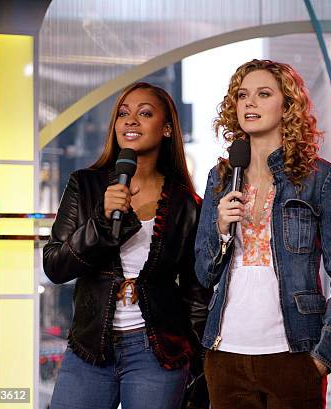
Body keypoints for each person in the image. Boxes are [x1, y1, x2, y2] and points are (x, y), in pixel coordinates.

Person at [194, 59, 331, 409]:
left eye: (263, 94)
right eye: (242, 95)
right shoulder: (220, 178)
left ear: (288, 106)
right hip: (225, 354)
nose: (249, 103)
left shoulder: (321, 179)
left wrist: (323, 353)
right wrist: (221, 229)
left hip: (294, 353)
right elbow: (203, 272)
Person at [44, 82, 212, 409]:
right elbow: (55, 266)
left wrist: (196, 359)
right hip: (90, 349)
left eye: (144, 113)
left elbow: (196, 294)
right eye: (123, 113)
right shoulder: (86, 185)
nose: (130, 121)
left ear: (166, 129)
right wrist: (102, 222)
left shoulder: (187, 205)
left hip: (158, 354)